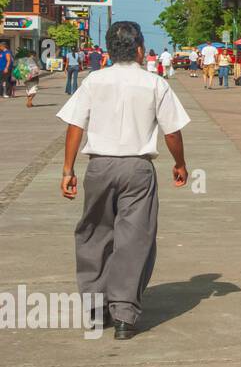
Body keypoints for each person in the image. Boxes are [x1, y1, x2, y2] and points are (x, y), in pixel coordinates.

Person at [57, 20, 190, 340]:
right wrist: (180, 164)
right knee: (135, 238)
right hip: (138, 169)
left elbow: (76, 126)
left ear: (108, 51)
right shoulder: (155, 84)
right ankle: (124, 314)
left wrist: (67, 170)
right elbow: (171, 131)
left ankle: (94, 307)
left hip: (99, 167)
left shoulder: (93, 81)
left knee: (94, 233)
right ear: (141, 49)